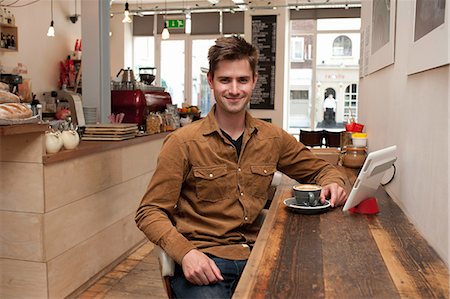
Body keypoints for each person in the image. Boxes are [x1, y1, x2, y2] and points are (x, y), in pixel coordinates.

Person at [135, 36, 348, 299]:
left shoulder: (273, 138)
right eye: (225, 80)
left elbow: (321, 170)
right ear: (211, 81)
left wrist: (334, 182)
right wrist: (186, 253)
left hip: (259, 255)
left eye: (242, 80)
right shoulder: (182, 143)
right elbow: (149, 211)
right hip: (206, 261)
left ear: (254, 81)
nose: (234, 90)